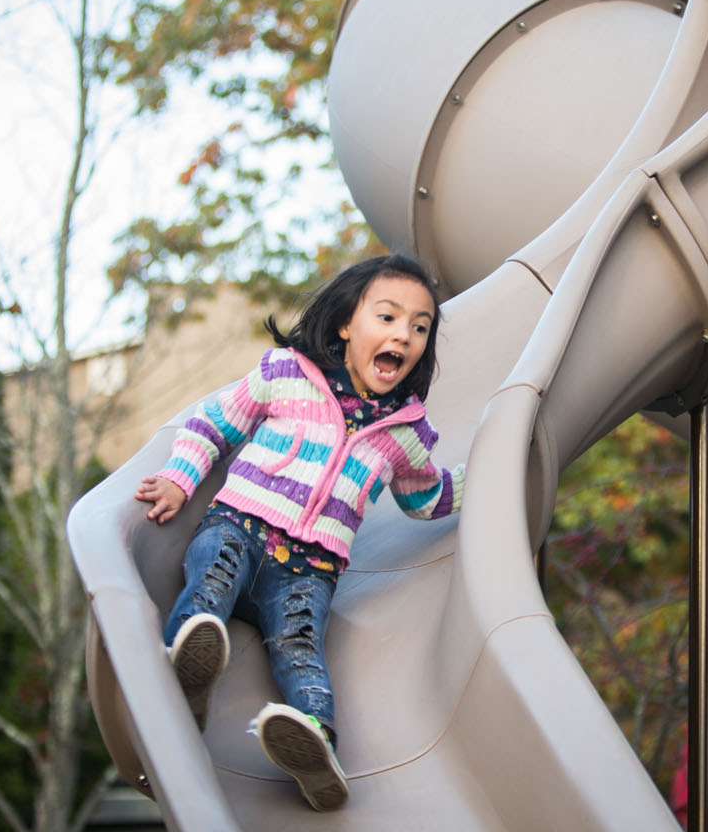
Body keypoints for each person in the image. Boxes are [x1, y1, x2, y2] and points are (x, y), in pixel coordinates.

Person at [134, 253, 464, 811]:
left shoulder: (403, 433)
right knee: (213, 576)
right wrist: (177, 479)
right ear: (345, 324)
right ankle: (193, 666)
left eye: (419, 327)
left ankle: (314, 746)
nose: (403, 335)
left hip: (309, 568)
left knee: (301, 647)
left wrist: (490, 474)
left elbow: (424, 498)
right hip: (238, 526)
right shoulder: (284, 374)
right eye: (387, 317)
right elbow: (212, 425)